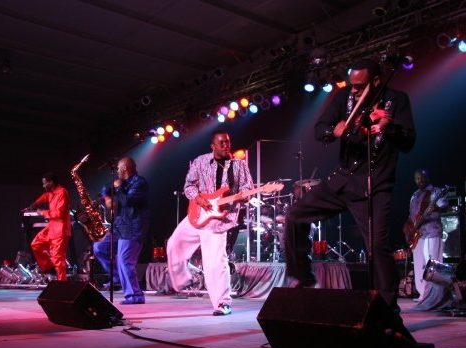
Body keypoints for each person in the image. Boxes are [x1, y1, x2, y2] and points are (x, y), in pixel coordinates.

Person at [284, 58, 416, 311]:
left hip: (375, 185)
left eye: (360, 86)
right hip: (343, 180)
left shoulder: (396, 100)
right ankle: (302, 275)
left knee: (377, 247)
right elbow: (320, 128)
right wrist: (333, 131)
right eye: (352, 85)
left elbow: (409, 141)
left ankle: (388, 311)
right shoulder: (344, 98)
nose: (354, 90)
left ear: (375, 81)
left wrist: (388, 127)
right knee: (295, 215)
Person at [167, 131, 254, 316]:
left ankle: (223, 303)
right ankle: (182, 280)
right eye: (221, 143)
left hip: (219, 220)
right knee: (174, 243)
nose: (225, 145)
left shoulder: (239, 165)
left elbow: (248, 188)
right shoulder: (200, 161)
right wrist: (199, 199)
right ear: (212, 146)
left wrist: (242, 197)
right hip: (198, 214)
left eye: (227, 142)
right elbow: (189, 186)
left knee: (215, 263)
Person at [405, 169, 448, 302]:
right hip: (418, 235)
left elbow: (444, 205)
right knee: (419, 265)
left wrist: (435, 207)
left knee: (433, 264)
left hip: (432, 231)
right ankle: (423, 294)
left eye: (422, 177)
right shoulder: (414, 195)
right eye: (417, 178)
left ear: (427, 177)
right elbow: (412, 215)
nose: (420, 181)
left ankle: (435, 296)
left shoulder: (435, 192)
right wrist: (408, 229)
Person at [113, 157, 149, 304]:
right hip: (122, 228)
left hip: (133, 228)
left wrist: (118, 188)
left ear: (125, 168)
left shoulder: (139, 183)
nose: (117, 171)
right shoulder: (125, 183)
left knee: (125, 261)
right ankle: (122, 284)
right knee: (101, 248)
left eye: (118, 168)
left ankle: (135, 295)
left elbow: (128, 200)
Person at [28, 172, 71, 281]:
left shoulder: (62, 192)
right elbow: (44, 197)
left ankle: (62, 284)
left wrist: (43, 212)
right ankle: (49, 268)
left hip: (60, 230)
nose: (43, 186)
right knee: (35, 244)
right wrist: (35, 204)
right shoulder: (51, 193)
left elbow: (59, 214)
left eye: (45, 183)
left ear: (51, 182)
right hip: (52, 228)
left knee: (58, 260)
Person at [92, 188, 120, 290]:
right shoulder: (107, 208)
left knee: (99, 247)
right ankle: (117, 277)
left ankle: (118, 278)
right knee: (98, 247)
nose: (104, 200)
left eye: (106, 198)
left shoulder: (120, 203)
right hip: (116, 230)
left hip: (124, 232)